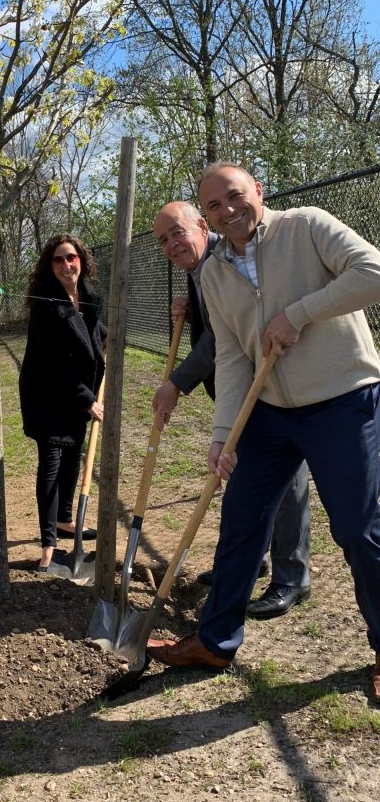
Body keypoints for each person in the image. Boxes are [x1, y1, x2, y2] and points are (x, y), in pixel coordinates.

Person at [147, 163, 380, 703]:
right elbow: (230, 357)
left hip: (343, 399)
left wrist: (299, 313)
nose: (227, 211)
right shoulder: (214, 274)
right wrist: (222, 434)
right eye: (214, 206)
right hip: (270, 412)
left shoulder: (306, 225)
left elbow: (372, 271)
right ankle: (215, 641)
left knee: (359, 529)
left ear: (259, 192)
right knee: (241, 523)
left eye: (234, 197)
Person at [151, 201, 311, 618]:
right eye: (163, 240)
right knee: (243, 477)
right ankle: (250, 560)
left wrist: (176, 384)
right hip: (238, 390)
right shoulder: (198, 268)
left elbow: (220, 343)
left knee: (287, 480)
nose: (171, 245)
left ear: (202, 227)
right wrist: (187, 310)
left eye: (177, 233)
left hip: (272, 384)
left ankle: (292, 577)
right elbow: (211, 328)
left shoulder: (225, 259)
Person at [19, 234, 106, 571]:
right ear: (49, 266)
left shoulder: (87, 295)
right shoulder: (46, 305)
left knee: (73, 456)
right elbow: (57, 360)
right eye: (58, 260)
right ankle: (48, 544)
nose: (66, 265)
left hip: (76, 392)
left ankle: (66, 521)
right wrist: (87, 401)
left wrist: (107, 340)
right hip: (48, 394)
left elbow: (92, 330)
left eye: (71, 257)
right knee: (52, 462)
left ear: (81, 259)